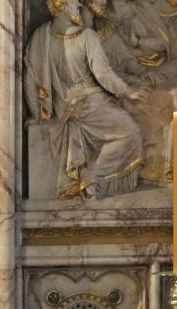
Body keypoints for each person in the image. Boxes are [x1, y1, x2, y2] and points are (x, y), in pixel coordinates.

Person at [24, 0, 147, 199]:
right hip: (90, 104)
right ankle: (92, 177)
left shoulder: (40, 36)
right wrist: (127, 91)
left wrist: (37, 114)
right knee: (132, 132)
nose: (80, 6)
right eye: (75, 2)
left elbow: (30, 78)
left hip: (62, 108)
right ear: (61, 4)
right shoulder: (86, 36)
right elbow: (104, 74)